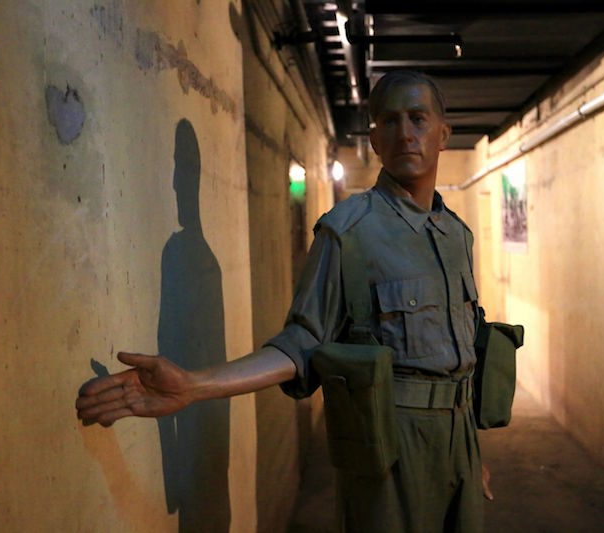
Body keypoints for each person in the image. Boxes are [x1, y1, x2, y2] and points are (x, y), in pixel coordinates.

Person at [77, 70, 490, 532]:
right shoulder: (349, 233)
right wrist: (194, 385)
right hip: (391, 448)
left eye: (418, 118)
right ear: (374, 138)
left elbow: (461, 356)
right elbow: (299, 344)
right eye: (390, 121)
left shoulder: (456, 235)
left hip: (461, 450)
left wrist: (470, 452)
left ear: (443, 134)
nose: (406, 133)